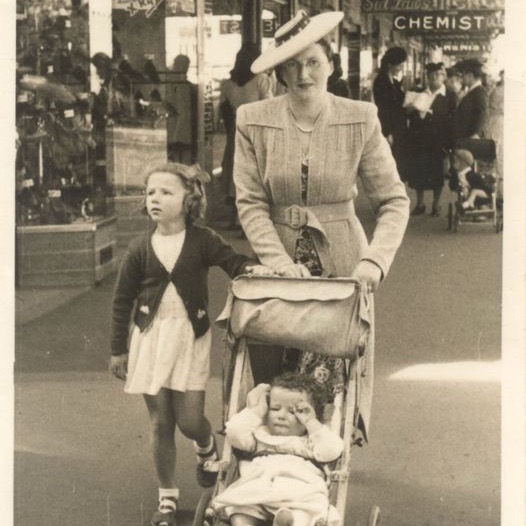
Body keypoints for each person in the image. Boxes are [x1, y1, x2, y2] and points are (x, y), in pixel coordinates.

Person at [233, 11, 409, 438]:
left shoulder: (360, 117)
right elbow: (252, 203)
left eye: (312, 61)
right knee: (273, 373)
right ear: (278, 73)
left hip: (343, 265)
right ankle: (274, 468)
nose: (303, 73)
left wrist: (374, 261)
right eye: (291, 65)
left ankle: (323, 461)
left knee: (330, 378)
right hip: (281, 267)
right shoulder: (252, 119)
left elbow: (393, 200)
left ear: (330, 64)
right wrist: (277, 261)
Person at [109, 162, 271, 526]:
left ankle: (205, 446)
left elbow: (234, 262)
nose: (156, 199)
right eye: (151, 192)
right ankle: (167, 498)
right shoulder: (139, 247)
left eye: (166, 192)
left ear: (189, 199)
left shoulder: (202, 240)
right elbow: (122, 300)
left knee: (189, 420)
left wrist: (257, 269)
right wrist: (118, 349)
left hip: (189, 337)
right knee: (159, 422)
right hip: (150, 339)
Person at [213, 373, 344, 526]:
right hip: (258, 489)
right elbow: (234, 433)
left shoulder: (311, 441)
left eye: (294, 412)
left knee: (305, 513)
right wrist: (256, 410)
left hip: (299, 493)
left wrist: (312, 423)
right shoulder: (259, 435)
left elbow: (332, 450)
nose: (281, 416)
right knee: (240, 509)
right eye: (275, 408)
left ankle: (287, 523)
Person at [219, 43, 273, 229]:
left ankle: (234, 219)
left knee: (236, 175)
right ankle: (249, 222)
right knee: (253, 177)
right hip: (256, 133)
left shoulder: (228, 83)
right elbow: (269, 107)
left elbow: (223, 109)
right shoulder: (261, 80)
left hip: (235, 132)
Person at [405, 62, 457, 216]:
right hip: (419, 139)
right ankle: (420, 204)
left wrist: (449, 143)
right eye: (431, 75)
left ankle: (436, 204)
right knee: (419, 172)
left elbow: (453, 120)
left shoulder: (449, 95)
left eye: (438, 75)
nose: (434, 78)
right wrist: (411, 110)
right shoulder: (418, 92)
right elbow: (409, 114)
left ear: (443, 77)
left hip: (438, 141)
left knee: (437, 174)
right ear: (427, 77)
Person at [372, 46, 409, 180]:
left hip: (398, 127)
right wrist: (387, 132)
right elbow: (383, 108)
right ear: (390, 65)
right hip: (391, 129)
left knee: (397, 163)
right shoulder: (381, 81)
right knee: (390, 164)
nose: (401, 68)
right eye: (399, 65)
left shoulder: (392, 81)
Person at [165, 54, 198, 164]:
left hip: (183, 130)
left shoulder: (187, 86)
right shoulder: (176, 85)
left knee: (183, 160)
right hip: (178, 129)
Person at [453, 58, 489, 141]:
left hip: (471, 140)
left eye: (463, 75)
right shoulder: (472, 91)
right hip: (466, 138)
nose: (461, 78)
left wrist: (475, 135)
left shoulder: (479, 92)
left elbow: (481, 116)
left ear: (470, 75)